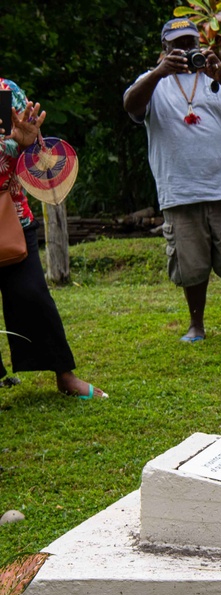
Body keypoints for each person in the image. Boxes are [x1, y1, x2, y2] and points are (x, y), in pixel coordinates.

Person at [123, 18, 221, 343]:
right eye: (177, 45)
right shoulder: (153, 82)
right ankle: (196, 326)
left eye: (190, 43)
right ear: (164, 49)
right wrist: (159, 72)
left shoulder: (218, 75)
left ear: (199, 44)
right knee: (190, 264)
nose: (185, 50)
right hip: (179, 190)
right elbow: (131, 106)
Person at [0, 78, 107, 399]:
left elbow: (38, 157)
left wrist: (29, 142)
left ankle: (64, 375)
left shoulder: (6, 91)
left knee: (32, 294)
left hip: (11, 215)